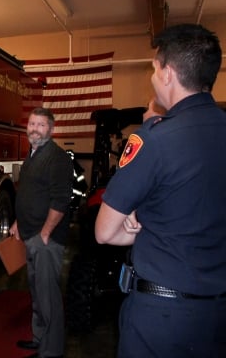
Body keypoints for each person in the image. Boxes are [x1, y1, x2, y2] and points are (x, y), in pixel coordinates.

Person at [95, 23, 226, 358]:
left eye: (154, 69)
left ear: (168, 73)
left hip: (161, 318)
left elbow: (104, 232)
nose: (152, 77)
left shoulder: (154, 139)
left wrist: (140, 219)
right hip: (216, 316)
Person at [9, 107, 73, 358]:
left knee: (49, 297)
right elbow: (29, 193)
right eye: (32, 124)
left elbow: (61, 201)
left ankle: (51, 351)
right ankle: (39, 338)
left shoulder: (57, 158)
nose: (34, 128)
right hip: (29, 233)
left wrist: (45, 233)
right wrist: (17, 221)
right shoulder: (33, 154)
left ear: (51, 129)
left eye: (41, 125)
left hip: (46, 239)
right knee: (36, 292)